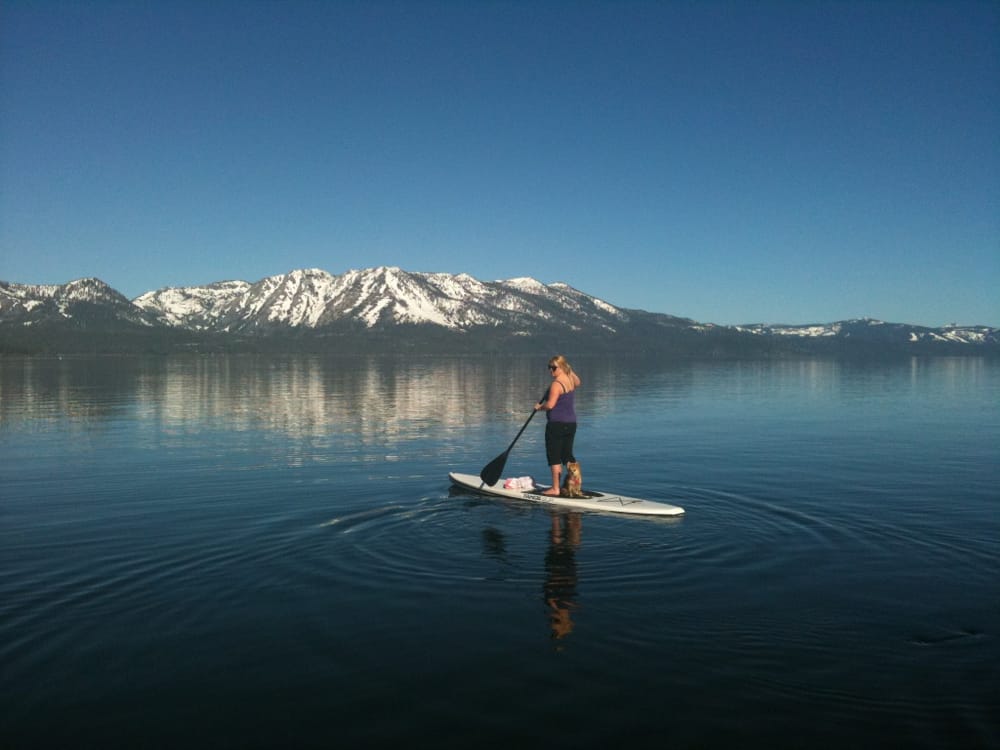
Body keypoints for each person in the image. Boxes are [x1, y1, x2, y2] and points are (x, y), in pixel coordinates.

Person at [534, 355, 581, 496]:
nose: (551, 370)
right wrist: (568, 369)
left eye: (554, 368)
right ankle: (575, 486)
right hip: (571, 424)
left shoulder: (556, 384)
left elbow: (550, 405)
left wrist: (539, 407)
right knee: (567, 456)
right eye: (549, 367)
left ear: (561, 367)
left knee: (554, 457)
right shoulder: (570, 379)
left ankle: (555, 489)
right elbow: (578, 382)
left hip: (556, 425)